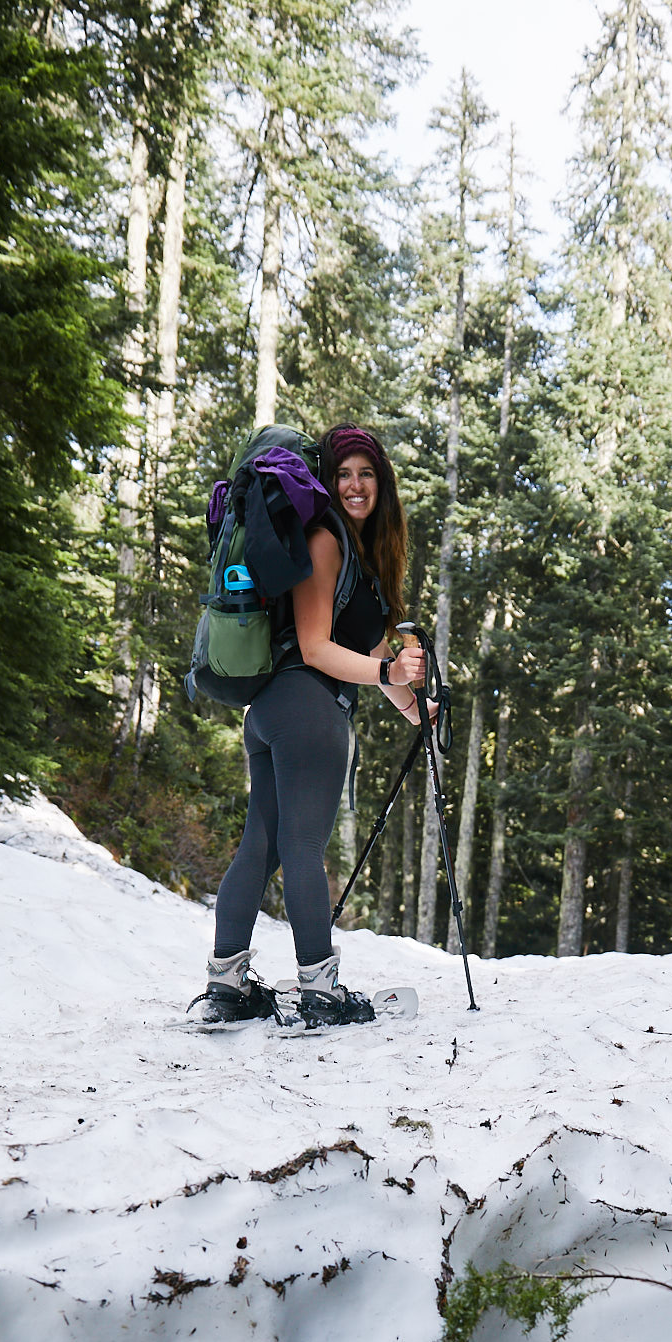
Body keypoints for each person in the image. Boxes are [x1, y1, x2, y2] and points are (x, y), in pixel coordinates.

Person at [196, 425, 427, 1028]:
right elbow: (318, 647)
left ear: (382, 485)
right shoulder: (325, 541)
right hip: (309, 709)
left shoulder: (355, 557)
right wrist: (385, 667)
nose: (354, 485)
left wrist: (415, 710)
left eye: (366, 474)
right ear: (329, 479)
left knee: (263, 846)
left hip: (272, 710)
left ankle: (228, 986)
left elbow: (374, 653)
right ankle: (320, 989)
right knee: (300, 848)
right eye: (344, 473)